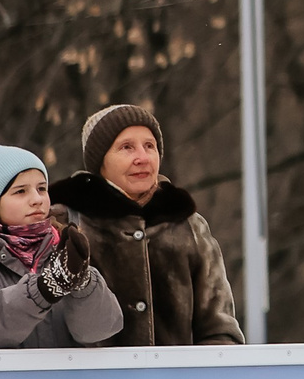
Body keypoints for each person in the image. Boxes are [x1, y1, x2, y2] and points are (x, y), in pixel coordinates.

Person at [48, 104, 243, 346]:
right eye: (126, 147)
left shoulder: (189, 226)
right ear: (100, 162)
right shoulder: (64, 224)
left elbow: (220, 331)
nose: (142, 158)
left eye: (150, 146)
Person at [0, 145, 123, 349]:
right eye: (20, 191)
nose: (37, 199)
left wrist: (83, 283)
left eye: (42, 188)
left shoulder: (65, 252)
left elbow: (102, 329)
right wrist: (45, 287)